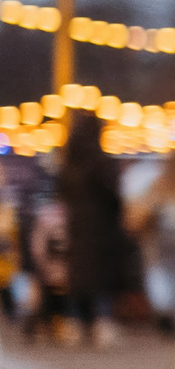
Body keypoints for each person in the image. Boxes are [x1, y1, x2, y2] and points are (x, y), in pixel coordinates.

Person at [52, 111, 125, 346]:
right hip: (100, 228)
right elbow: (113, 195)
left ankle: (73, 324)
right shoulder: (100, 162)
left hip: (75, 227)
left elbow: (61, 193)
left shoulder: (69, 165)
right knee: (100, 279)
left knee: (77, 278)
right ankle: (103, 323)